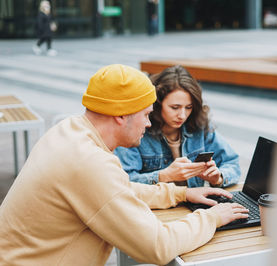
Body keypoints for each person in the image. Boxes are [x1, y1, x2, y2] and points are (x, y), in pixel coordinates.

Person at [0, 64, 249, 265]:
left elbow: (117, 188)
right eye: (144, 115)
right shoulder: (89, 163)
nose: (149, 124)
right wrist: (212, 217)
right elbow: (157, 247)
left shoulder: (69, 131)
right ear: (120, 115)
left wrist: (180, 192)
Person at [114, 65, 241, 188]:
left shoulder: (198, 127)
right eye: (175, 107)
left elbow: (232, 163)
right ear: (157, 104)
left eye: (188, 107)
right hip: (157, 208)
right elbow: (123, 182)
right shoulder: (137, 131)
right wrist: (164, 176)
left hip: (195, 205)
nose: (182, 115)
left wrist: (218, 178)